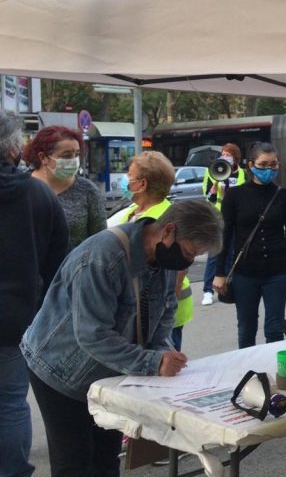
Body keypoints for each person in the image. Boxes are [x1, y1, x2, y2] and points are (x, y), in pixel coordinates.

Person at [21, 200, 222, 477]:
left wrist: (164, 353)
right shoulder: (102, 257)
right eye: (189, 252)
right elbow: (94, 336)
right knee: (74, 462)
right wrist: (153, 362)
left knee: (105, 458)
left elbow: (166, 311)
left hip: (111, 373)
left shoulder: (164, 258)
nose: (188, 261)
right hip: (61, 370)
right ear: (169, 231)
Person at [0, 112, 68, 477]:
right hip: (16, 320)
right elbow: (58, 265)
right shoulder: (38, 195)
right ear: (13, 148)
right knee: (10, 403)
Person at [213, 142, 286, 348]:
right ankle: (248, 373)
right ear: (250, 165)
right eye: (263, 164)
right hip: (244, 273)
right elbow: (225, 235)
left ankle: (273, 373)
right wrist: (220, 272)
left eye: (273, 165)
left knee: (274, 329)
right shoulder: (234, 196)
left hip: (277, 273)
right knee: (246, 329)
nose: (268, 169)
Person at [108, 151, 194, 351]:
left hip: (161, 313)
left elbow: (178, 270)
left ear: (142, 184)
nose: (125, 179)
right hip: (139, 307)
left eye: (129, 174)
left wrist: (162, 307)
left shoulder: (166, 219)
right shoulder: (133, 211)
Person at [25, 125, 104, 249]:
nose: (73, 161)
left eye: (77, 154)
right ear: (43, 157)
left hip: (74, 267)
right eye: (66, 156)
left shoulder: (88, 191)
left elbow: (100, 240)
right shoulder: (21, 187)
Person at [201, 143, 245, 306]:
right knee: (214, 254)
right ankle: (207, 290)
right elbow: (208, 197)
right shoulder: (212, 171)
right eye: (223, 153)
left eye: (229, 154)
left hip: (235, 218)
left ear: (236, 157)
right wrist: (213, 190)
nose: (225, 156)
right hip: (218, 217)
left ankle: (227, 286)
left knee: (232, 252)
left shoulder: (242, 174)